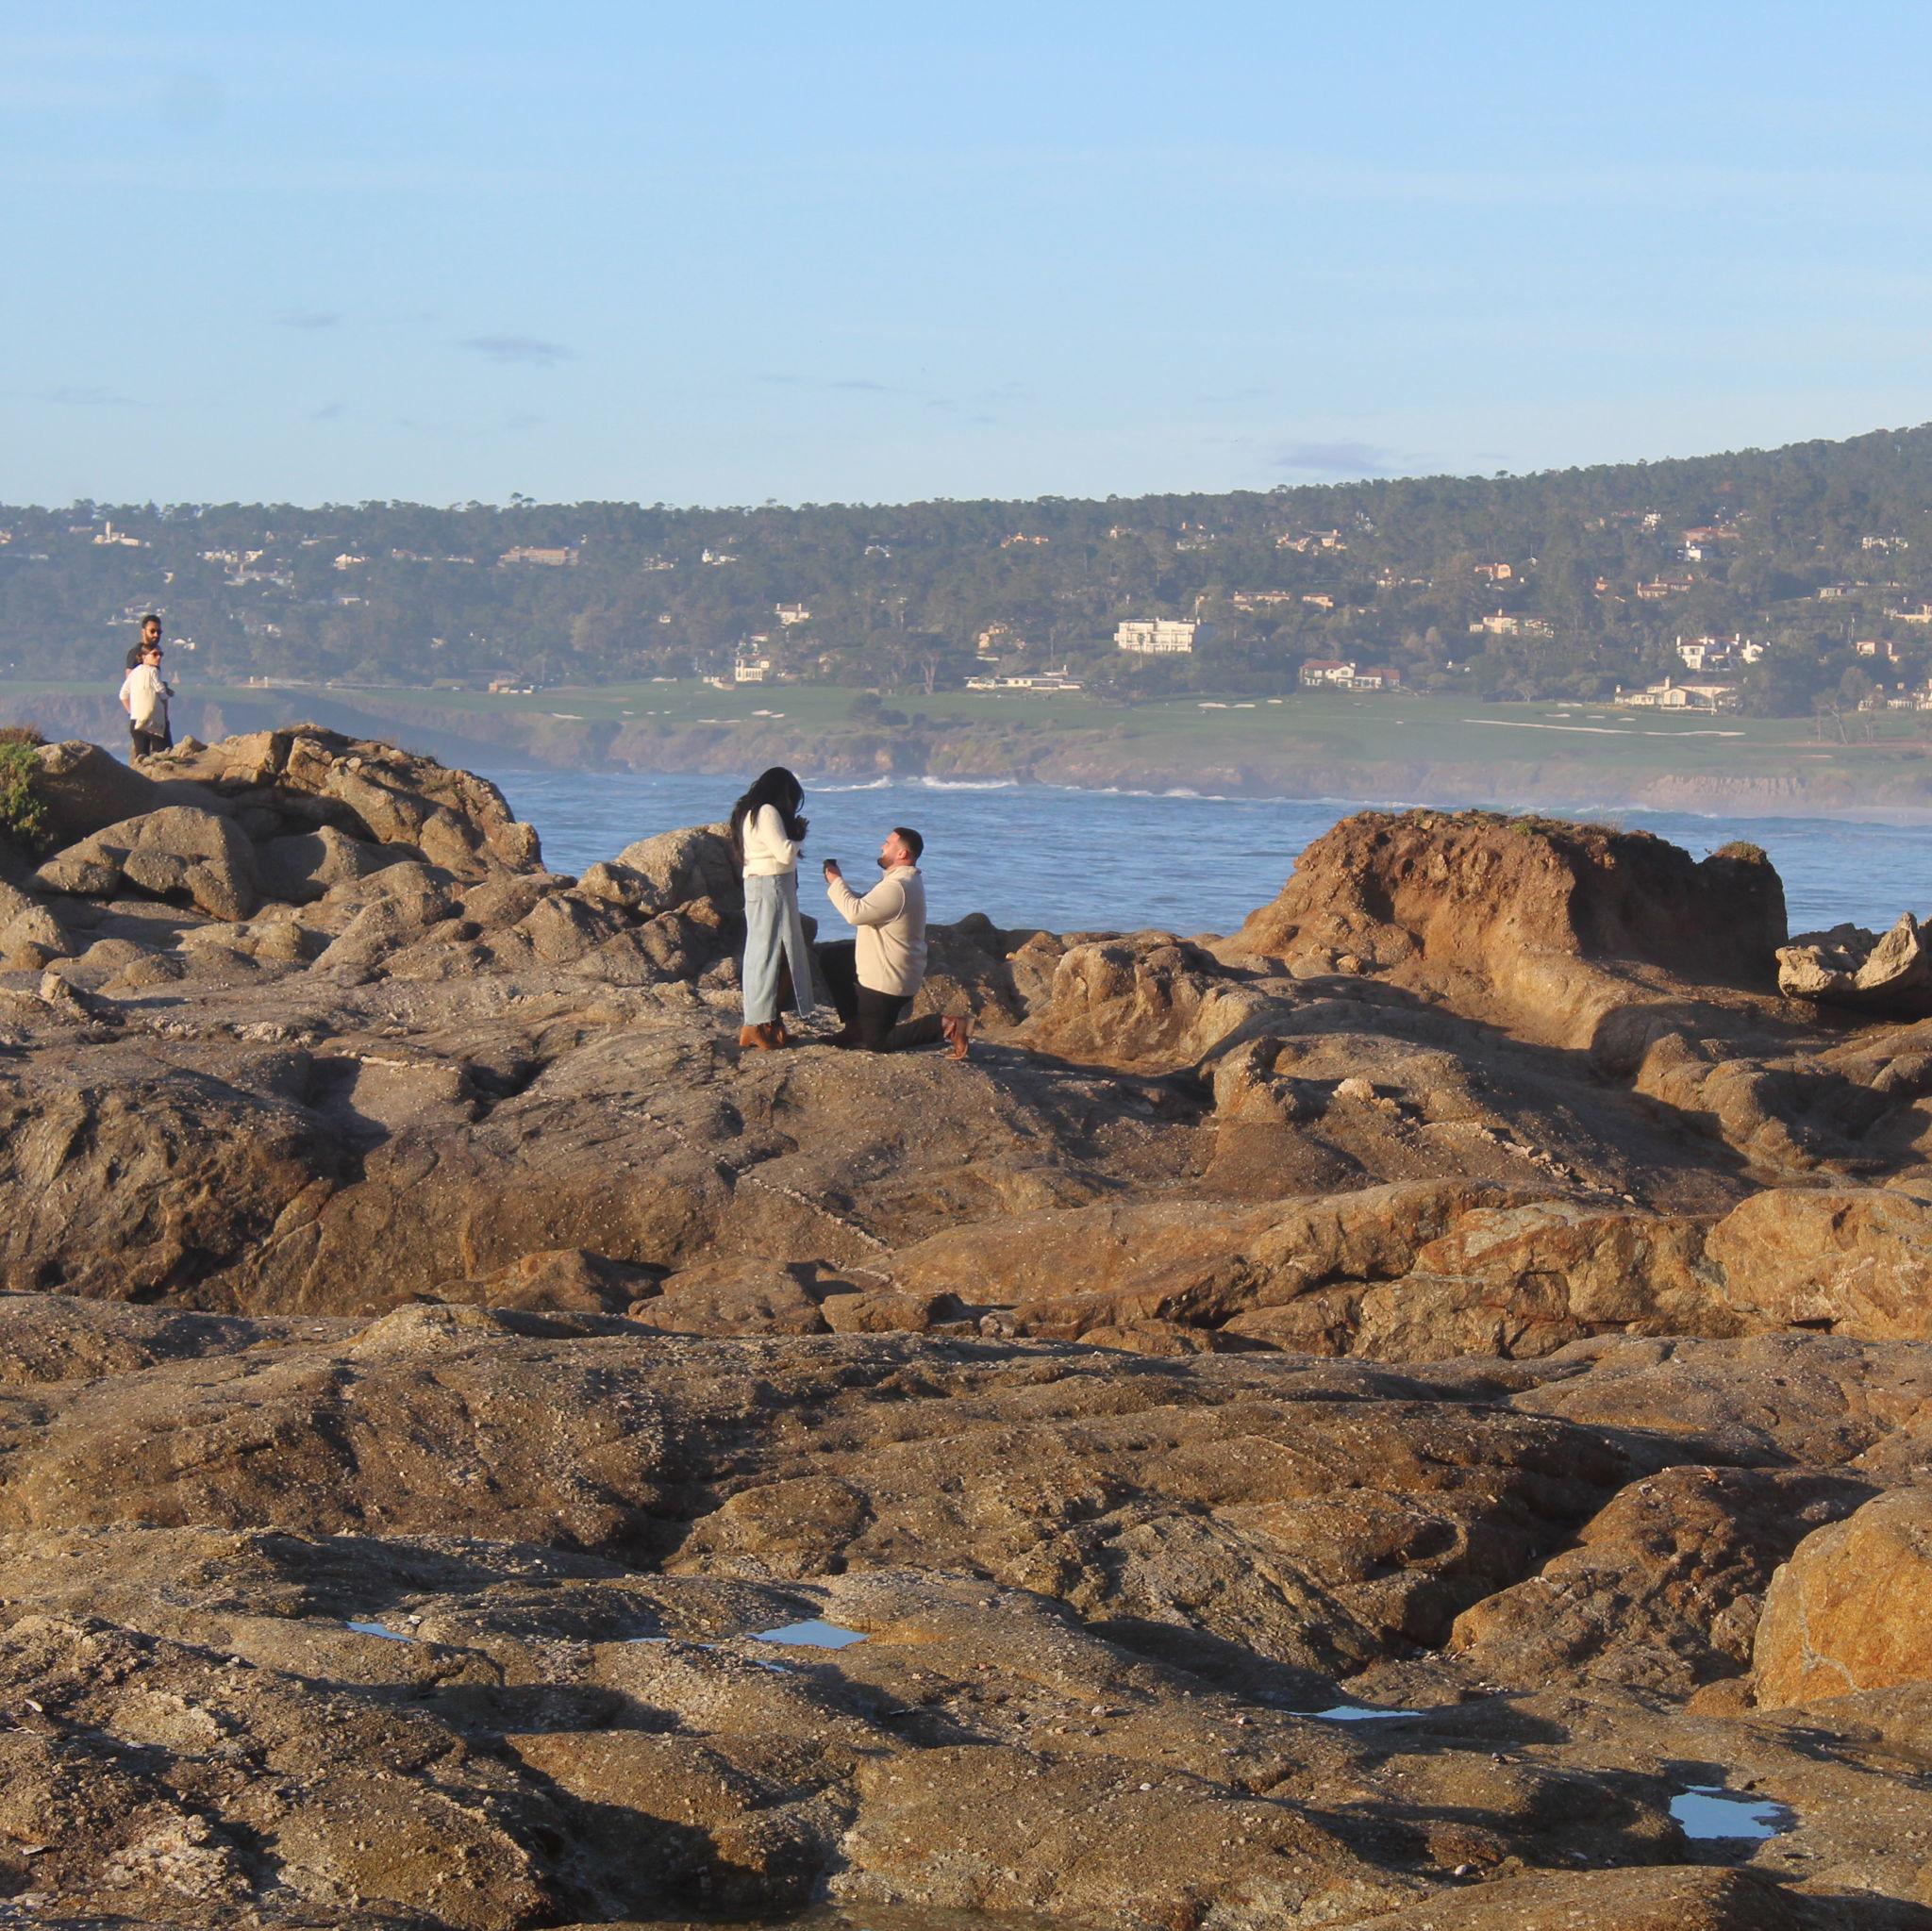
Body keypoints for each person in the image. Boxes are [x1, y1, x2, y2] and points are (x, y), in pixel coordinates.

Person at [819, 825, 971, 1059]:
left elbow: (855, 914)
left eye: (888, 843)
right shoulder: (900, 882)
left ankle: (947, 1025)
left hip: (888, 978)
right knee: (834, 959)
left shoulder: (898, 886)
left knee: (878, 1042)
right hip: (890, 966)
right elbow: (868, 906)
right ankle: (854, 1027)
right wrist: (841, 885)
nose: (882, 846)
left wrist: (836, 881)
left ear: (902, 854)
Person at [729, 765, 815, 1051]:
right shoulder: (767, 812)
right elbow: (784, 852)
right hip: (772, 884)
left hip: (762, 883)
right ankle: (756, 1024)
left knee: (765, 953)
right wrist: (800, 835)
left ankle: (766, 1023)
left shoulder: (750, 811)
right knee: (770, 954)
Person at [119, 639, 174, 759]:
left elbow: (123, 695)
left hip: (135, 722)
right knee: (165, 754)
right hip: (153, 722)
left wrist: (131, 712)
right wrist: (167, 697)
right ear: (144, 657)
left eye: (161, 654)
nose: (158, 657)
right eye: (154, 654)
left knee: (141, 758)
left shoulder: (134, 672)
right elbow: (162, 693)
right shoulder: (153, 670)